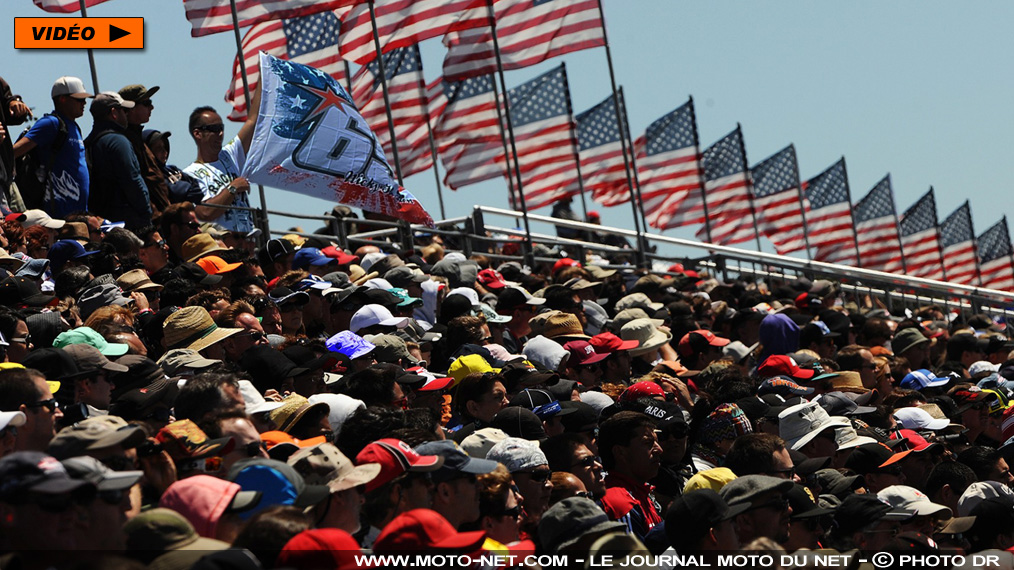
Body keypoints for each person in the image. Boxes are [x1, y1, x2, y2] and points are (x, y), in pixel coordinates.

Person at [184, 84, 260, 234]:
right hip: (221, 242)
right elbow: (205, 213)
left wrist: (262, 78)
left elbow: (253, 120)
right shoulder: (189, 175)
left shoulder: (230, 155)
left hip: (248, 239)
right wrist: (233, 188)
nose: (220, 134)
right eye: (214, 129)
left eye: (221, 128)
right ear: (197, 134)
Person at [11, 76, 91, 216]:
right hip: (57, 213)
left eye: (84, 99)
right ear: (62, 99)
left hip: (77, 211)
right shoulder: (51, 123)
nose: (84, 103)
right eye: (79, 99)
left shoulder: (74, 126)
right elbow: (12, 153)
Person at [84, 92, 152, 229]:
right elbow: (132, 180)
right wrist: (146, 213)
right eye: (124, 110)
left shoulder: (88, 143)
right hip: (127, 221)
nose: (127, 114)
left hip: (102, 221)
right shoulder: (118, 141)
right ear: (114, 113)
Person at [118, 84, 170, 214]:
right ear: (131, 108)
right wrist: (155, 217)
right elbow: (135, 185)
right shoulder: (125, 142)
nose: (152, 107)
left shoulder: (137, 140)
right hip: (147, 219)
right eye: (146, 103)